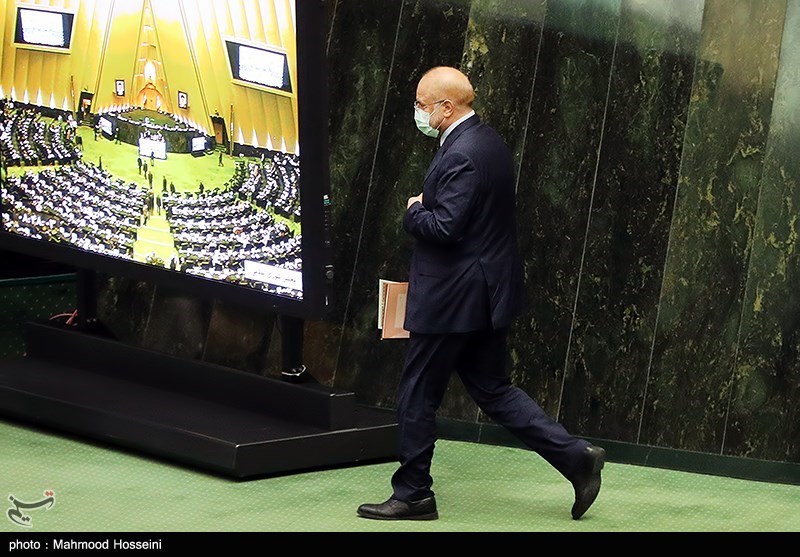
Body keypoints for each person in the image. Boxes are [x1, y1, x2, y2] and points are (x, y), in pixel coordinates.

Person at [357, 66, 606, 522]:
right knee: (493, 389)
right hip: (484, 295)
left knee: (416, 394)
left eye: (421, 104)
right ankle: (576, 458)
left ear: (447, 107)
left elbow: (445, 227)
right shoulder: (489, 142)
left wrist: (414, 211)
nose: (418, 112)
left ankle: (413, 494)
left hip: (452, 300)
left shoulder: (462, 154)